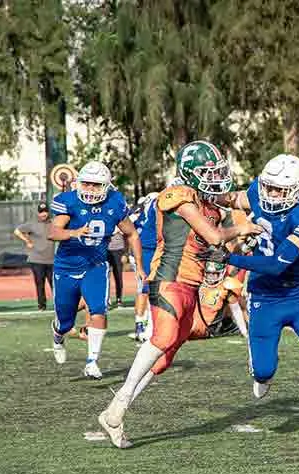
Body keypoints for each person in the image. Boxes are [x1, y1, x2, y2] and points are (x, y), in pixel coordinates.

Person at [97, 140, 260, 448]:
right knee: (163, 337)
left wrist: (256, 218)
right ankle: (117, 406)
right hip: (168, 277)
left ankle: (114, 413)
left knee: (163, 359)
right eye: (207, 172)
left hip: (192, 284)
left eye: (216, 171)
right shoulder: (177, 195)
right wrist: (240, 230)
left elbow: (225, 229)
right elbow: (213, 235)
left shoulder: (212, 202)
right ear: (189, 173)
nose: (214, 177)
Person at [198, 154, 299, 442]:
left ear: (297, 189)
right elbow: (233, 199)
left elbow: (276, 264)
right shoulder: (260, 191)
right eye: (267, 187)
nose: (270, 194)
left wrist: (229, 258)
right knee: (264, 373)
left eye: (278, 190)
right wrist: (203, 192)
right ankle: (259, 369)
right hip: (264, 297)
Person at [49, 160, 145, 379]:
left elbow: (132, 234)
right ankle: (57, 334)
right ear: (79, 183)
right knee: (65, 321)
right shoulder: (69, 201)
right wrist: (73, 233)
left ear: (106, 186)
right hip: (66, 267)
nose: (90, 189)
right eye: (87, 184)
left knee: (98, 310)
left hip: (96, 264)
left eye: (96, 185)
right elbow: (53, 232)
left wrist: (139, 266)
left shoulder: (115, 201)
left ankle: (92, 361)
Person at [129, 192, 159, 341]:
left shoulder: (141, 211)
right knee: (146, 289)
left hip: (146, 250)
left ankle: (144, 324)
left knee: (149, 288)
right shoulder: (155, 205)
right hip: (145, 250)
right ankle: (141, 326)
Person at [14, 202, 55, 311]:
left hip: (51, 260)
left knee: (54, 283)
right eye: (41, 212)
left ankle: (58, 304)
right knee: (39, 283)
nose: (43, 214)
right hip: (36, 259)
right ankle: (42, 305)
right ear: (38, 213)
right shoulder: (32, 224)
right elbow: (17, 231)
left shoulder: (53, 223)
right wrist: (27, 241)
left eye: (45, 212)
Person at [107, 226, 126, 308]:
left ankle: (119, 298)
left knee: (118, 276)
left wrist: (125, 253)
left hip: (118, 250)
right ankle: (107, 299)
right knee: (105, 276)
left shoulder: (120, 218)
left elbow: (128, 236)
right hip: (106, 250)